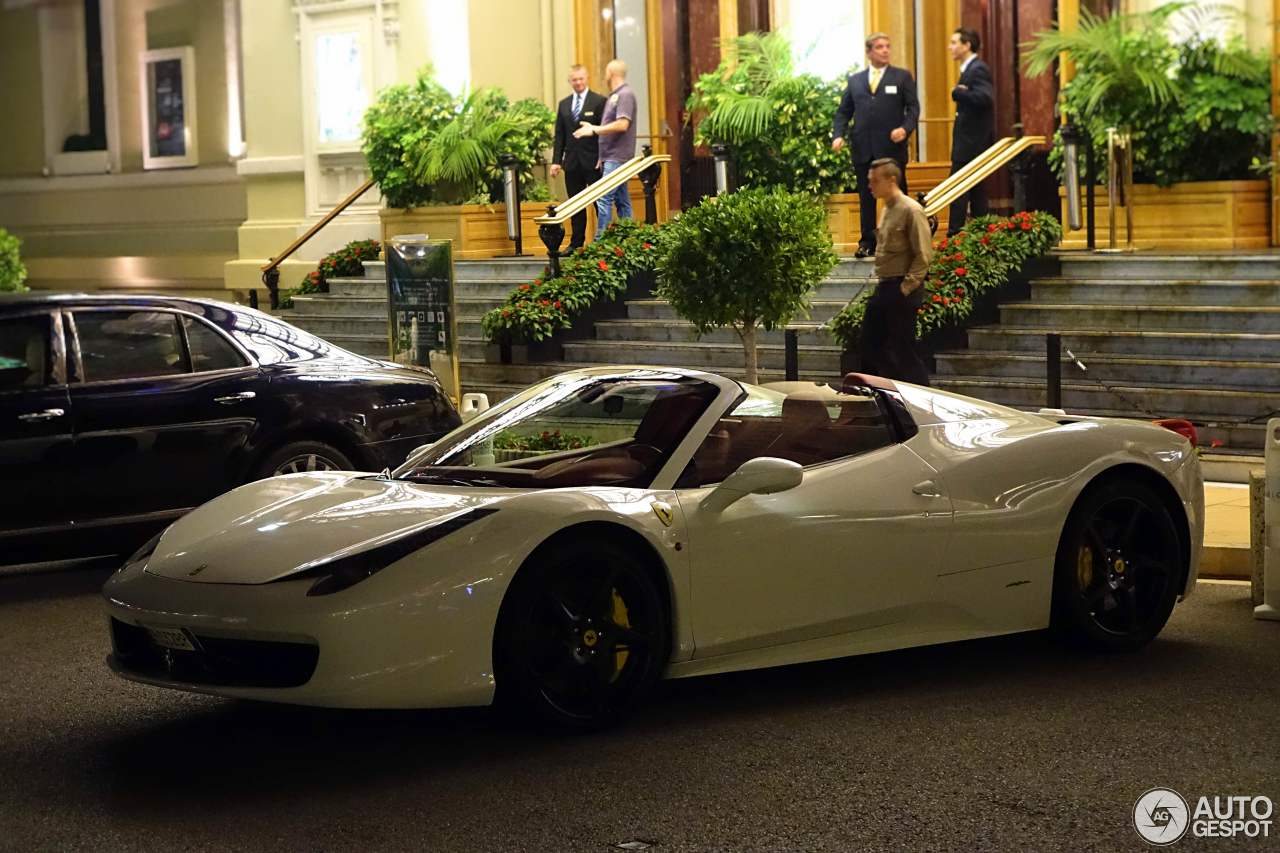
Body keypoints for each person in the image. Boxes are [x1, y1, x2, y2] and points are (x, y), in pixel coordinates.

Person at [831, 33, 919, 258]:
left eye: (888, 46)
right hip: (863, 147)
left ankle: (903, 240)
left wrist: (905, 129)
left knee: (899, 196)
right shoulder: (855, 81)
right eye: (880, 47)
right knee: (866, 197)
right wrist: (838, 135)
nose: (885, 50)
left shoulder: (902, 77)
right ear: (869, 52)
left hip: (891, 148)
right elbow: (843, 112)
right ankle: (867, 242)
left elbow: (913, 109)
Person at [859, 158, 932, 386]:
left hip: (902, 288)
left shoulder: (911, 210)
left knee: (904, 349)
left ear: (891, 180)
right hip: (886, 285)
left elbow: (924, 255)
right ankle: (887, 392)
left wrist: (905, 288)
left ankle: (920, 396)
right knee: (871, 343)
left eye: (874, 181)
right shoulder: (887, 209)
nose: (870, 185)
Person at [573, 59, 637, 236]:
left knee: (604, 197)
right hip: (611, 156)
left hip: (618, 156)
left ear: (611, 73)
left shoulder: (625, 95)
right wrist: (602, 153)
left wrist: (594, 130)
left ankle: (601, 242)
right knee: (621, 199)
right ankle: (630, 237)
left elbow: (623, 124)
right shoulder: (614, 95)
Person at [550, 65, 607, 250]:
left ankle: (604, 241)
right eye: (575, 80)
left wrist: (604, 156)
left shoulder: (599, 101)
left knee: (601, 203)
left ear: (587, 78)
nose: (578, 82)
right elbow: (560, 135)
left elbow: (605, 132)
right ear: (570, 82)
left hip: (594, 162)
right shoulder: (564, 104)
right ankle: (576, 243)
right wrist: (556, 161)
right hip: (572, 164)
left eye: (581, 79)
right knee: (575, 204)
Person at [947, 27, 995, 235]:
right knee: (975, 191)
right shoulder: (968, 69)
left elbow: (985, 98)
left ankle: (954, 234)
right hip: (969, 142)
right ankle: (978, 234)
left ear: (967, 45)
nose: (950, 47)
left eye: (954, 42)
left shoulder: (978, 69)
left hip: (972, 143)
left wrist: (958, 93)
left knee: (958, 188)